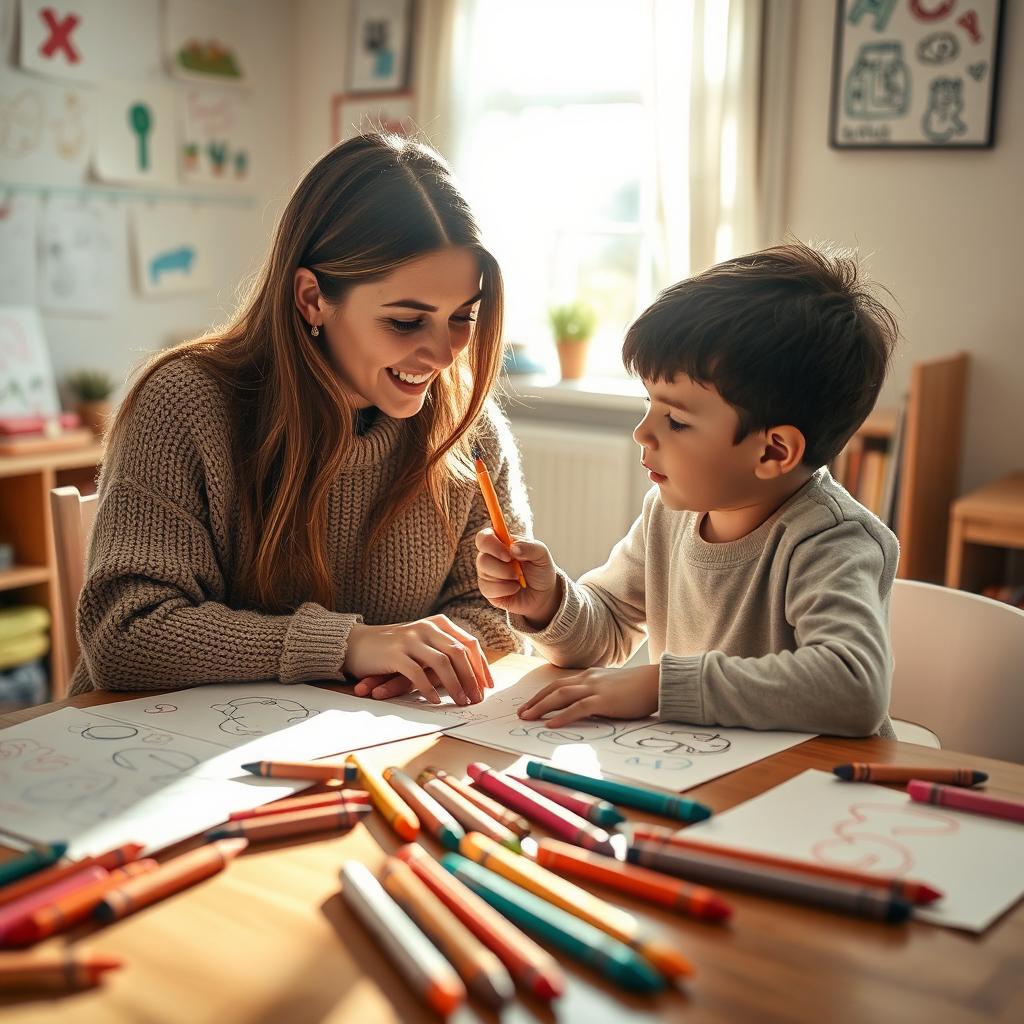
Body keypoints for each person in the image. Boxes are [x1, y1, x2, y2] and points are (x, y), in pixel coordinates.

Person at [70, 132, 531, 706]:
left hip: (362, 744)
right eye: (406, 322)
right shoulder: (184, 404)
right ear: (312, 298)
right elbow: (126, 635)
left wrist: (413, 663)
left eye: (462, 316)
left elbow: (495, 613)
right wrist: (346, 645)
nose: (443, 355)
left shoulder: (467, 425)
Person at [477, 242, 901, 737]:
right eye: (650, 405)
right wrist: (549, 603)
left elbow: (854, 687)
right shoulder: (669, 512)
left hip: (804, 794)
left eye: (675, 419)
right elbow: (608, 627)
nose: (642, 432)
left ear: (772, 452)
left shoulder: (830, 540)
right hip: (698, 778)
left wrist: (661, 687)